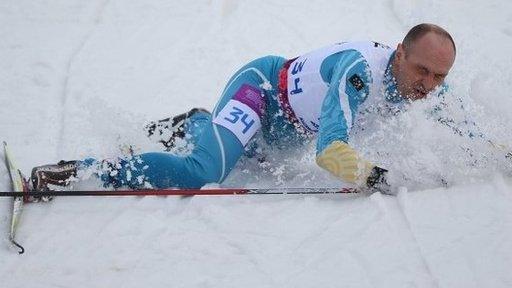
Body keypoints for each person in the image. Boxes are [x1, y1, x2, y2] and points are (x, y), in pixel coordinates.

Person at [29, 23, 457, 201]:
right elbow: (329, 153)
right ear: (400, 53)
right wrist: (384, 178)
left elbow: (466, 126)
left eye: (439, 77)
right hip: (263, 92)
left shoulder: (427, 81)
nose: (430, 86)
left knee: (246, 158)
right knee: (205, 172)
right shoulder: (359, 73)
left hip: (285, 131)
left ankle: (195, 122)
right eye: (423, 71)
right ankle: (80, 171)